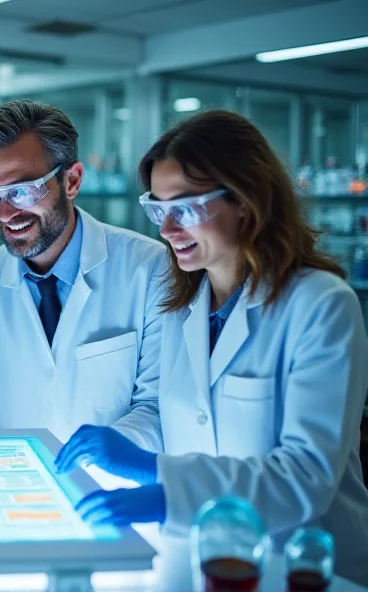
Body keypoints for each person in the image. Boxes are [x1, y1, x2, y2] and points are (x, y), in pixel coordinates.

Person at [56, 110, 368, 586]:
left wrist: (164, 492)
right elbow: (184, 424)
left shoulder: (321, 305)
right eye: (158, 209)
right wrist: (130, 446)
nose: (167, 229)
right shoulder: (181, 307)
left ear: (245, 199)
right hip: (197, 559)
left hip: (301, 565)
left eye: (185, 207)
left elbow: (305, 476)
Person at [0, 100, 169, 445]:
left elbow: (157, 402)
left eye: (22, 191)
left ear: (71, 181)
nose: (5, 213)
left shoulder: (149, 269)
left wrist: (103, 452)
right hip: (20, 487)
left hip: (111, 486)